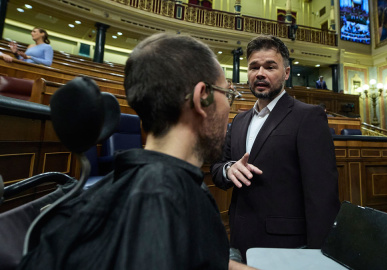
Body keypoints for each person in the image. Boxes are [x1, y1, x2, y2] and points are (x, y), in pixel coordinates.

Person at [18, 33, 253, 270]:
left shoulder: (145, 185)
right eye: (228, 95)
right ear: (202, 97)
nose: (229, 108)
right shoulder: (161, 202)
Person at [211, 35, 340, 260]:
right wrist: (229, 169)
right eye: (254, 67)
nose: (260, 73)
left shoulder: (308, 116)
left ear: (286, 73)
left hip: (287, 246)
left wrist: (320, 254)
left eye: (270, 66)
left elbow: (322, 196)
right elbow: (218, 168)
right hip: (240, 239)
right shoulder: (239, 121)